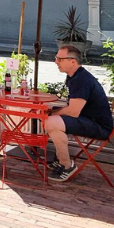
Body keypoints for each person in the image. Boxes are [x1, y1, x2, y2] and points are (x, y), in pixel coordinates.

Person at [45, 45, 114, 182]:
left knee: (51, 121)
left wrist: (52, 113)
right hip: (88, 119)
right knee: (51, 120)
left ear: (73, 61)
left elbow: (73, 111)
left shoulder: (81, 79)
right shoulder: (74, 76)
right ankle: (60, 159)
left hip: (99, 126)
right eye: (56, 58)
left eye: (59, 59)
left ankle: (67, 165)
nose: (56, 62)